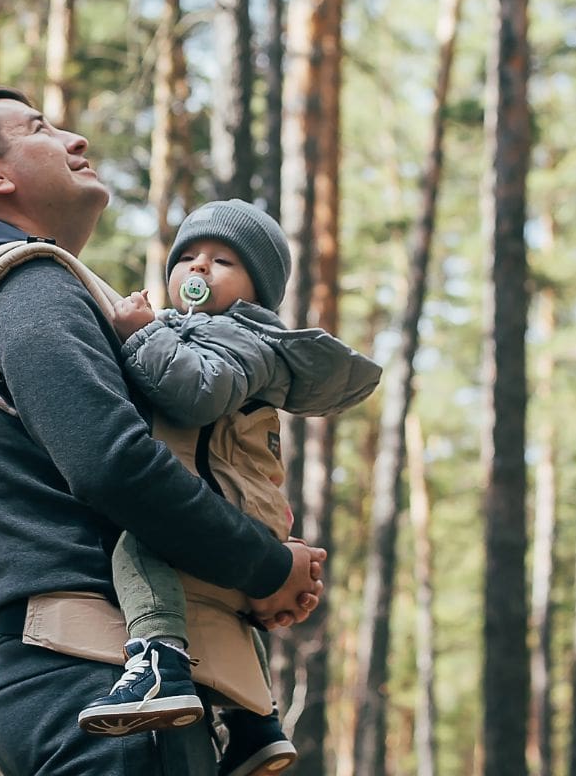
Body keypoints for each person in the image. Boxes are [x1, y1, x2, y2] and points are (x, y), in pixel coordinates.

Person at [0, 85, 328, 775]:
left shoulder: (25, 293)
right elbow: (113, 465)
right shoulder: (28, 283)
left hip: (93, 686)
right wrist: (265, 564)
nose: (77, 140)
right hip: (99, 681)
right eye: (41, 128)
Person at [76, 200, 382, 775]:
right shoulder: (193, 331)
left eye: (221, 261)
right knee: (227, 610)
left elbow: (199, 395)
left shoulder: (246, 338)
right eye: (186, 257)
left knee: (141, 549)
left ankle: (156, 664)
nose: (197, 269)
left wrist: (143, 336)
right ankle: (255, 724)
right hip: (238, 501)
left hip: (222, 501)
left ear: (256, 291)